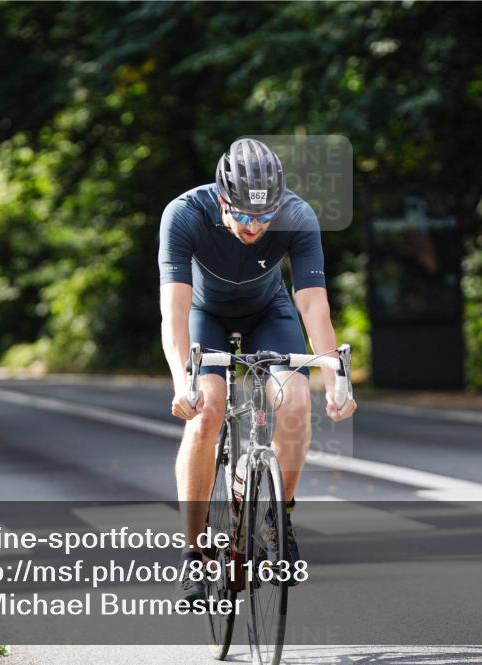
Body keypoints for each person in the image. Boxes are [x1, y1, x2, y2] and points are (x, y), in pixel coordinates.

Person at [158, 138, 357, 602]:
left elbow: (313, 305)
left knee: (296, 404)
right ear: (222, 199)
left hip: (270, 312)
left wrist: (335, 379)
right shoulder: (184, 214)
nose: (254, 227)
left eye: (265, 216)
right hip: (205, 315)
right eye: (243, 215)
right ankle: (193, 553)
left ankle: (276, 516)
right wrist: (182, 383)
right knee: (205, 413)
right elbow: (174, 311)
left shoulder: (297, 215)